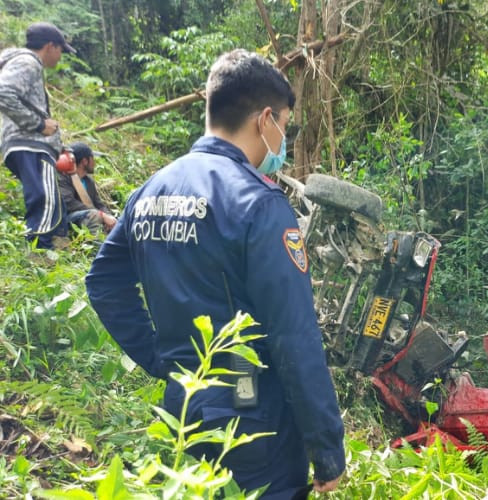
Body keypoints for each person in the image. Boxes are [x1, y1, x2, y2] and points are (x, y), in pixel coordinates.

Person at [85, 49, 345, 499]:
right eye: (285, 124)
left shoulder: (152, 189)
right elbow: (294, 336)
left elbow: (104, 282)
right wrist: (327, 449)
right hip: (252, 415)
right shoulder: (259, 204)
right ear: (265, 119)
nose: (284, 138)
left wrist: (161, 360)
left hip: (182, 407)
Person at [0, 22, 75, 249]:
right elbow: (3, 92)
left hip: (26, 144)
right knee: (44, 199)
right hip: (30, 144)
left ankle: (56, 246)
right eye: (61, 50)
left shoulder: (25, 64)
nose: (60, 56)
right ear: (50, 46)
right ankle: (40, 252)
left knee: (52, 199)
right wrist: (39, 125)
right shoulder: (28, 62)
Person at [57, 142, 116, 234]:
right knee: (94, 215)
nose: (94, 162)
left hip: (88, 216)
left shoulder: (89, 181)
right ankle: (96, 246)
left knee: (116, 222)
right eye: (92, 158)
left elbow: (99, 204)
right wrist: (101, 215)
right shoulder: (63, 178)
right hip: (68, 220)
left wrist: (109, 217)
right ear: (85, 161)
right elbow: (69, 203)